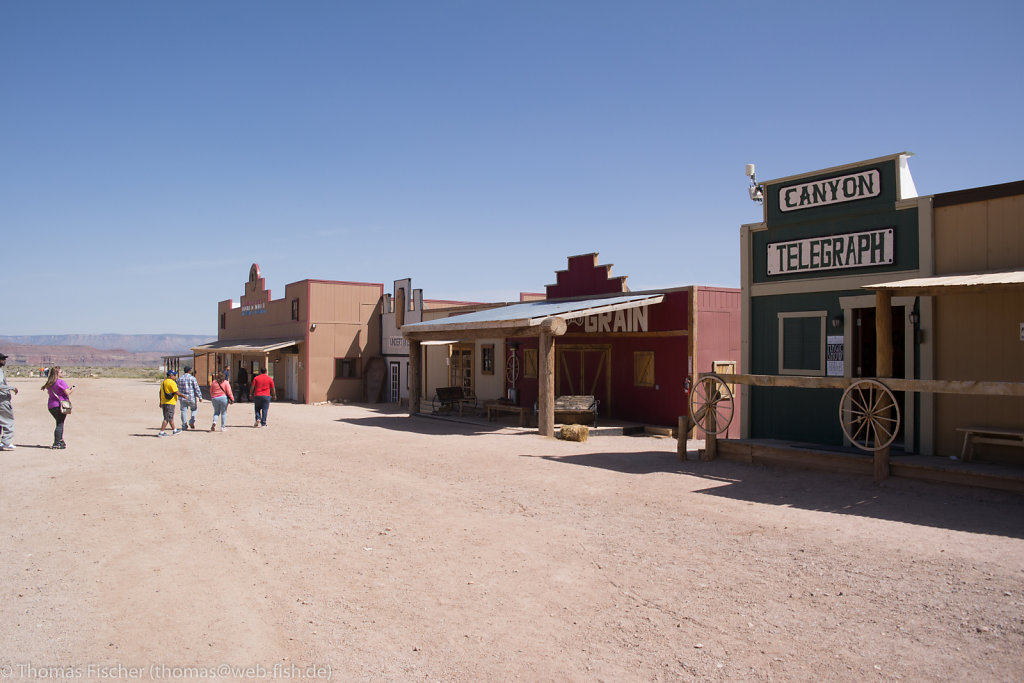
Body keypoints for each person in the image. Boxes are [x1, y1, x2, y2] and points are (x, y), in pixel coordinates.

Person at [41, 366, 74, 449]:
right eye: (61, 372)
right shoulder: (60, 382)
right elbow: (67, 393)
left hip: (51, 406)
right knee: (60, 423)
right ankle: (57, 442)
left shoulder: (50, 383)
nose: (62, 373)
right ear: (57, 373)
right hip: (60, 405)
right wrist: (72, 389)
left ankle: (60, 440)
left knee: (58, 422)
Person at [0, 352, 18, 451]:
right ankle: (6, 442)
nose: (4, 361)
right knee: (8, 420)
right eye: (2, 359)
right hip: (2, 400)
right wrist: (12, 388)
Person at [177, 365, 203, 431]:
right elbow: (196, 388)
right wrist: (200, 396)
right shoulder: (192, 378)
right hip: (191, 397)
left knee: (183, 411)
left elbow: (178, 388)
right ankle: (191, 421)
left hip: (182, 397)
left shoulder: (180, 378)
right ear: (189, 371)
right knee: (194, 409)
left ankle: (184, 425)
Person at [158, 370, 181, 437]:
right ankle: (161, 432)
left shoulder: (163, 382)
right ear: (170, 376)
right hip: (170, 402)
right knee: (167, 418)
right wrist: (184, 396)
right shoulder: (172, 382)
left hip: (164, 402)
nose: (175, 376)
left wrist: (160, 401)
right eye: (174, 375)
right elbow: (176, 392)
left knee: (170, 417)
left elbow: (160, 392)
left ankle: (175, 430)